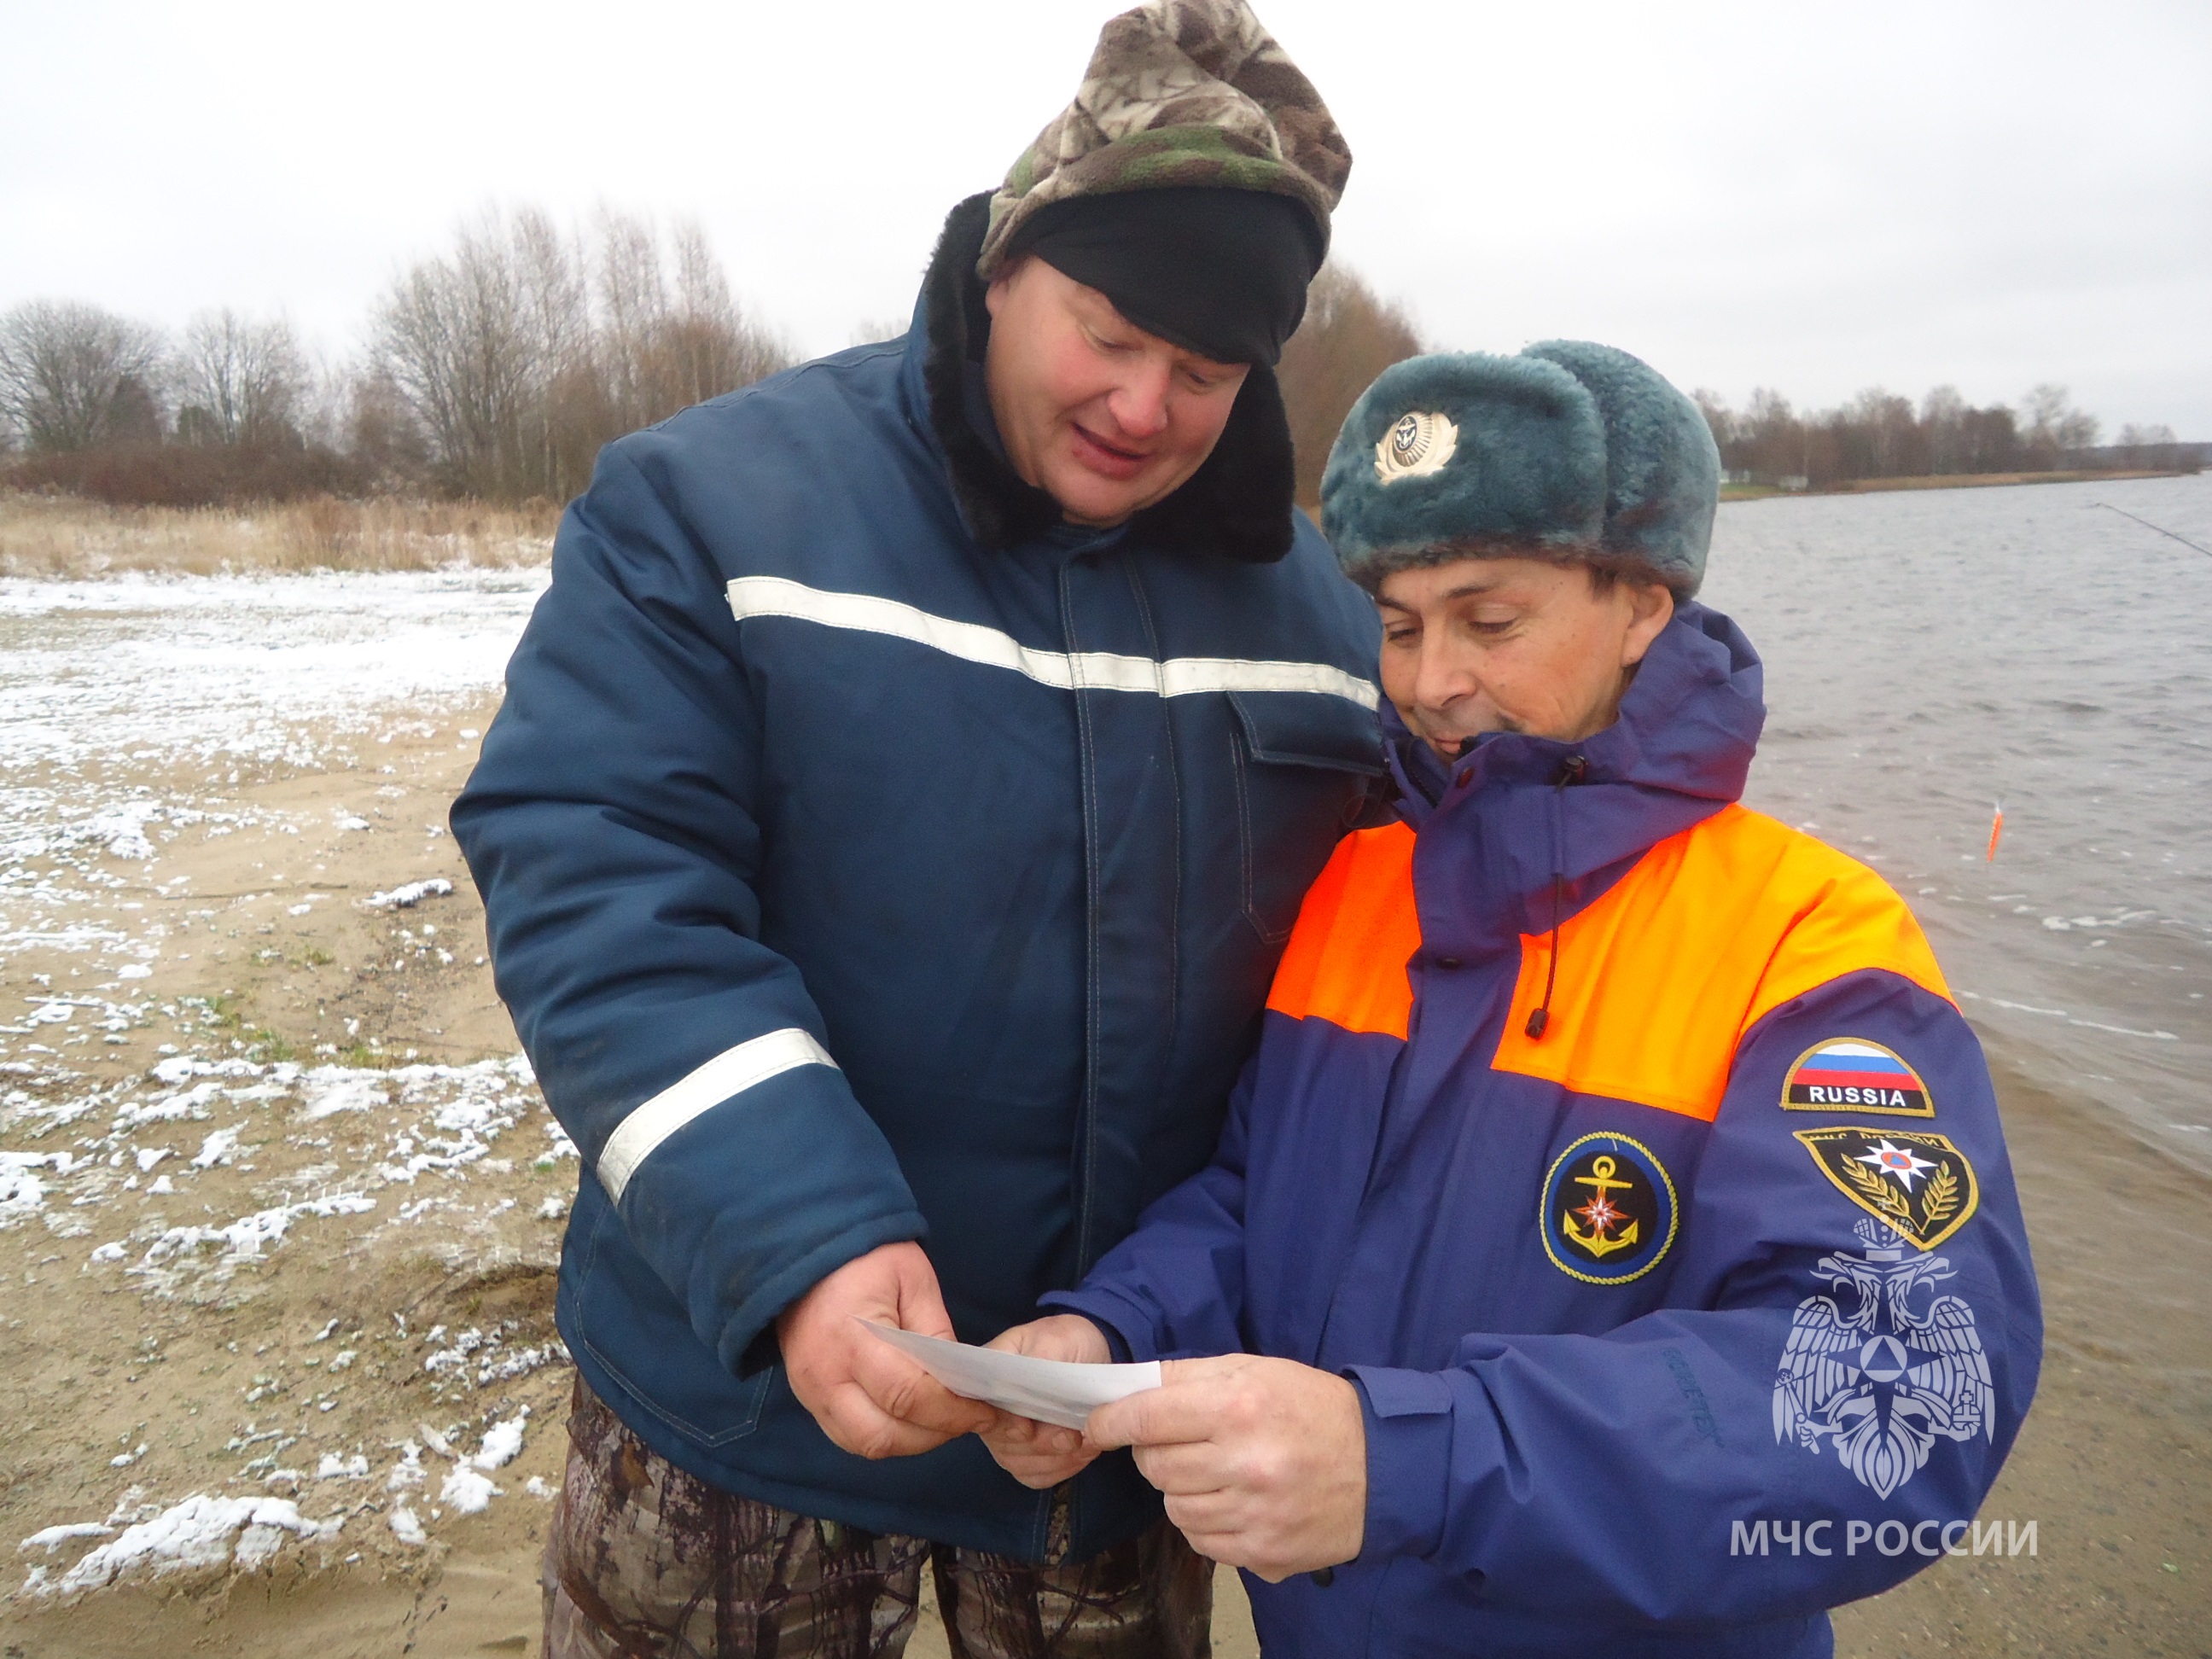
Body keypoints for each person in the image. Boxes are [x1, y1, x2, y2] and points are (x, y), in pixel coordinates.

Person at [448, 2, 1383, 1652]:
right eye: (1110, 331)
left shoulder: (1328, 617)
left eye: (1207, 371)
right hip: (736, 1414)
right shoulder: (710, 505)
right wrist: (800, 1237)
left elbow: (1386, 982)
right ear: (1010, 256)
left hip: (1106, 1448)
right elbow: (598, 875)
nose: (1148, 408)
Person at [982, 345, 2043, 1657]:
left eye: (1490, 622)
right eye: (1400, 623)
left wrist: (1410, 1465)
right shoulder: (1361, 883)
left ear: (1644, 603)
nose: (1431, 683)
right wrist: (1110, 1329)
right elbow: (1260, 1200)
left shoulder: (1814, 944)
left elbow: (1908, 1400)